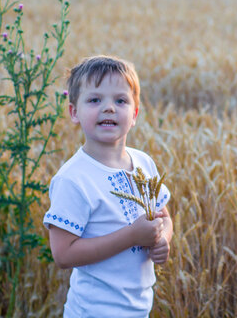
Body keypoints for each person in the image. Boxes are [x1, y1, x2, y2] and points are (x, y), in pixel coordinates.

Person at [43, 55, 173, 317]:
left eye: (120, 100)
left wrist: (163, 239)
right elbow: (63, 255)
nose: (109, 108)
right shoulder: (74, 179)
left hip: (138, 310)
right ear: (74, 112)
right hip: (93, 312)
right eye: (95, 100)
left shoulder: (144, 164)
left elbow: (164, 217)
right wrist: (133, 236)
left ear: (134, 114)